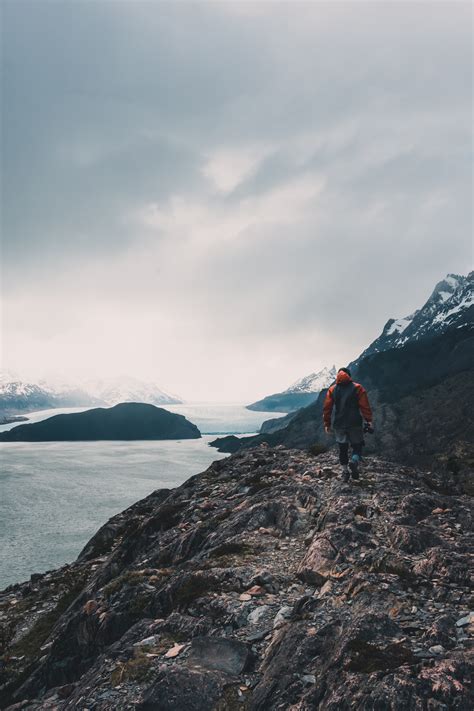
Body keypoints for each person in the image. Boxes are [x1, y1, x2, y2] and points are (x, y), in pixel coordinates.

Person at [323, 367, 373, 481]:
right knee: (357, 445)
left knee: (342, 448)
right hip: (355, 422)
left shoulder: (332, 389)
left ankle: (345, 472)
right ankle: (354, 461)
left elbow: (327, 408)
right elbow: (364, 406)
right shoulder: (357, 388)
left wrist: (327, 423)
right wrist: (369, 421)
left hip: (339, 424)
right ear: (349, 376)